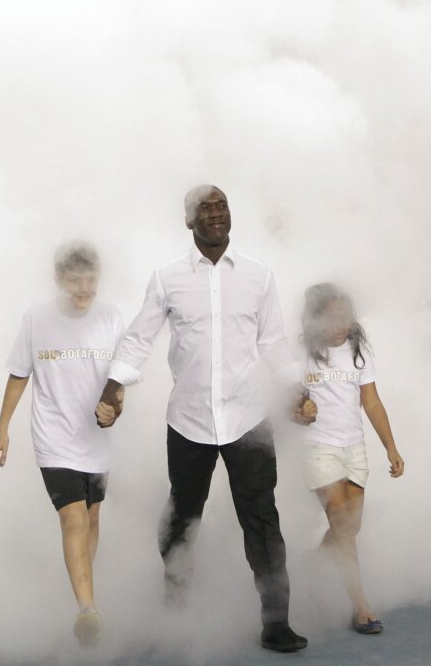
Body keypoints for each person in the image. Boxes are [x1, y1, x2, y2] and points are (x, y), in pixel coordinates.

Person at [95, 185, 307, 653]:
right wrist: (114, 386)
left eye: (222, 206)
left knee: (262, 519)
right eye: (204, 209)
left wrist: (296, 390)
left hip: (248, 418)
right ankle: (176, 605)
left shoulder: (259, 276)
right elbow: (139, 338)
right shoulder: (167, 278)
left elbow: (273, 341)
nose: (215, 214)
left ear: (230, 215)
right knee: (182, 514)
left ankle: (276, 622)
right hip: (188, 420)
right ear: (188, 221)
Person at [0, 242, 127, 646]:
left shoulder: (112, 317)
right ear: (58, 280)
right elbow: (19, 374)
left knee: (92, 518)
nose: (84, 288)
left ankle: (83, 589)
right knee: (74, 519)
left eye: (90, 279)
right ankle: (88, 610)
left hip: (97, 441)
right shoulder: (38, 318)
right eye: (74, 280)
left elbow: (119, 381)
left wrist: (115, 410)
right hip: (53, 438)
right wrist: (2, 429)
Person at [294, 284, 404, 634]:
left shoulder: (359, 353)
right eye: (331, 317)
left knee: (350, 527)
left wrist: (390, 447)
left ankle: (313, 565)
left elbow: (371, 402)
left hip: (353, 448)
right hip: (318, 447)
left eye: (345, 316)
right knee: (342, 523)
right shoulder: (301, 354)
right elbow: (283, 401)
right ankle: (360, 607)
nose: (341, 324)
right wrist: (299, 410)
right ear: (314, 319)